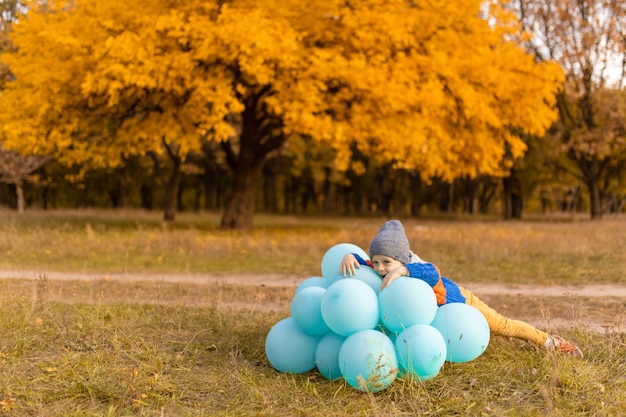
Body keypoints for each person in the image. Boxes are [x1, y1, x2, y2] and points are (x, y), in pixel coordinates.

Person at [339, 219, 583, 357]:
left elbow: (432, 271)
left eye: (388, 263)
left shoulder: (416, 268)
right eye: (378, 261)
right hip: (443, 319)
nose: (381, 268)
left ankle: (551, 342)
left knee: (502, 326)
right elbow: (366, 263)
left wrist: (403, 271)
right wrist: (351, 256)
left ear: (402, 260)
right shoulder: (380, 266)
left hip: (462, 303)